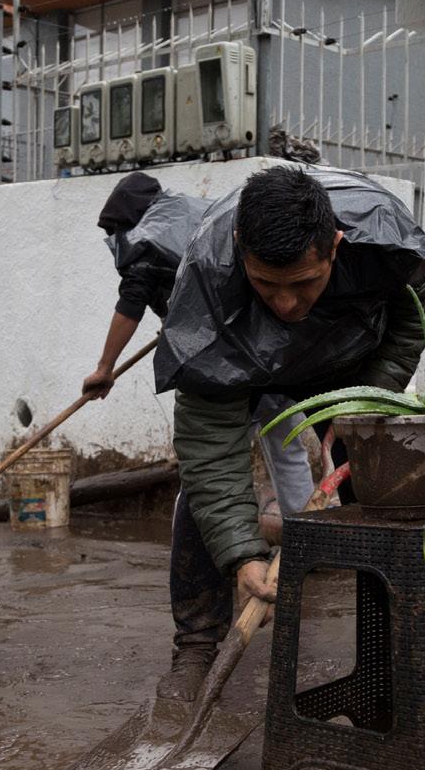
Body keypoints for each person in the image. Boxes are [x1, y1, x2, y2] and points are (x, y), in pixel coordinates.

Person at [152, 166, 425, 699]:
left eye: (303, 283)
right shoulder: (206, 277)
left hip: (349, 362)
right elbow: (210, 441)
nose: (285, 304)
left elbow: (408, 326)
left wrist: (367, 399)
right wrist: (243, 554)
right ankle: (195, 647)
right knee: (204, 493)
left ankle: (390, 648)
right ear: (240, 247)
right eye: (266, 284)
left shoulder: (390, 245)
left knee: (379, 479)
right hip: (245, 366)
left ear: (335, 246)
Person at [81, 172, 315, 522]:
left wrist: (104, 368)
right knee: (286, 444)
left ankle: (195, 544)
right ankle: (306, 531)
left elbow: (129, 307)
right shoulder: (199, 214)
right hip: (274, 348)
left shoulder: (145, 240)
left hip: (226, 365)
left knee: (211, 461)